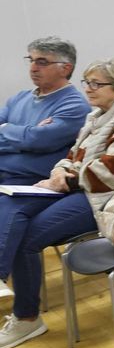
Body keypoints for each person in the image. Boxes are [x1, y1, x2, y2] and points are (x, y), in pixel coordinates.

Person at [0, 59, 114, 348]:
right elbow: (73, 155)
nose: (88, 89)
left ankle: (27, 317)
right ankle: (16, 301)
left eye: (97, 83)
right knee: (12, 206)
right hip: (82, 189)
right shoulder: (97, 115)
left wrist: (65, 181)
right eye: (86, 82)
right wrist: (59, 170)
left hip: (109, 198)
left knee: (28, 238)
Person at [0, 38, 89, 298]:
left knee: (9, 210)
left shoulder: (74, 105)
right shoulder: (19, 98)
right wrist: (22, 135)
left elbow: (39, 140)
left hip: (38, 182)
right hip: (7, 175)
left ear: (65, 67)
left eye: (42, 62)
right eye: (31, 60)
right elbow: (30, 139)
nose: (33, 68)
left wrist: (12, 133)